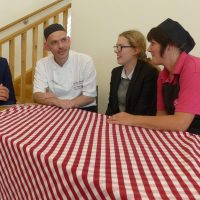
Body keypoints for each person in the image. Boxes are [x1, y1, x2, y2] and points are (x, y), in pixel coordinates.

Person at [108, 18, 200, 134]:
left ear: (169, 46)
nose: (148, 49)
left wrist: (131, 119)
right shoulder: (163, 75)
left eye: (153, 43)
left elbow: (180, 123)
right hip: (179, 135)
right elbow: (161, 117)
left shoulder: (194, 69)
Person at [33, 23, 97, 112]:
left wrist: (62, 102)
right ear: (47, 46)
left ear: (69, 40)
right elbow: (37, 94)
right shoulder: (42, 64)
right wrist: (57, 102)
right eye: (54, 42)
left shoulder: (85, 61)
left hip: (84, 108)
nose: (61, 46)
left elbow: (90, 96)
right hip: (55, 108)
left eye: (63, 40)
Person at [106, 30, 159, 116]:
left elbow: (143, 111)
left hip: (137, 126)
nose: (116, 51)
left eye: (121, 47)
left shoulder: (149, 73)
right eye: (116, 46)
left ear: (136, 50)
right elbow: (111, 106)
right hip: (117, 123)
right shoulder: (116, 72)